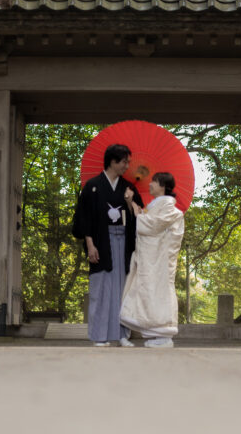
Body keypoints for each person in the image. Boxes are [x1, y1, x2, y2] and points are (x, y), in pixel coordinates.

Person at [72, 143, 143, 346]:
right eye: (124, 162)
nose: (127, 166)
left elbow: (140, 217)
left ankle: (122, 335)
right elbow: (84, 219)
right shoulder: (93, 186)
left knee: (123, 289)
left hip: (124, 243)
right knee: (101, 288)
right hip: (101, 241)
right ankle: (99, 335)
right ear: (113, 161)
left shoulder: (128, 187)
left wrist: (130, 202)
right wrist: (90, 244)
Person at [120, 171, 185, 348]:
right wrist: (133, 205)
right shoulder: (157, 206)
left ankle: (164, 335)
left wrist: (138, 214)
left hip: (160, 261)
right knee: (148, 292)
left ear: (163, 186)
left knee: (159, 292)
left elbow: (152, 225)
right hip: (151, 259)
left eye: (154, 182)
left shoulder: (170, 209)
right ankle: (154, 335)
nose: (150, 184)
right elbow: (149, 220)